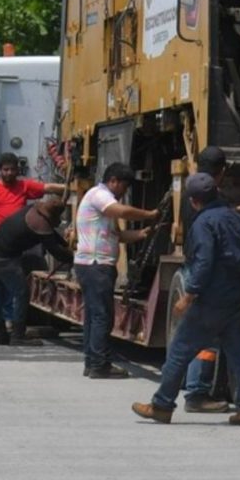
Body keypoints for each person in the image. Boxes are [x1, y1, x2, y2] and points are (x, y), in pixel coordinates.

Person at [135, 173, 240, 427]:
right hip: (233, 297)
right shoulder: (236, 218)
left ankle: (161, 405)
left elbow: (204, 262)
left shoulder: (203, 224)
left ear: (193, 201)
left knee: (179, 352)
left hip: (208, 301)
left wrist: (189, 295)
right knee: (239, 356)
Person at [181, 146, 240, 410]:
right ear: (223, 171)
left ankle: (187, 395)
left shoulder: (195, 191)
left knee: (200, 343)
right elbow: (215, 240)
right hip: (211, 282)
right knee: (206, 343)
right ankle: (196, 393)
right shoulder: (210, 196)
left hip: (205, 278)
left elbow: (213, 220)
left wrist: (239, 211)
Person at [74, 162, 162, 379]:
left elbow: (117, 236)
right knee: (103, 316)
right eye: (123, 187)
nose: (123, 193)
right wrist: (149, 214)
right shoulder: (100, 195)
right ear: (113, 181)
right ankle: (99, 364)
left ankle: (92, 361)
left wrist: (141, 234)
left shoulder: (102, 205)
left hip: (93, 265)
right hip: (96, 265)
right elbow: (121, 211)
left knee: (95, 316)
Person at [0, 194, 73, 346]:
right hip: (4, 260)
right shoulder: (40, 224)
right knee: (21, 293)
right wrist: (73, 257)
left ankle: (0, 334)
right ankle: (18, 335)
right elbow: (55, 250)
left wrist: (63, 243)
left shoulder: (32, 210)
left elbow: (52, 235)